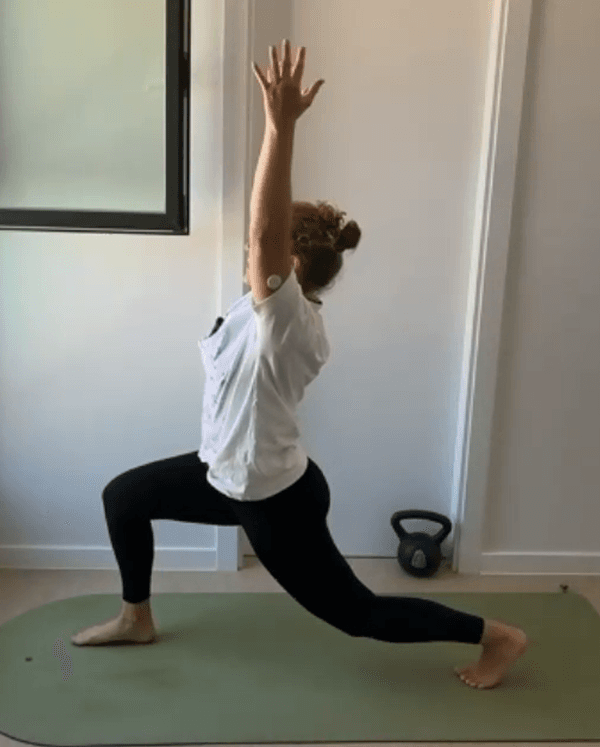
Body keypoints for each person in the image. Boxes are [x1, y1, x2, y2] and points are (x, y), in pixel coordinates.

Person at [73, 39, 529, 690]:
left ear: (287, 267)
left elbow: (264, 234)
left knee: (358, 614)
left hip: (272, 501)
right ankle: (136, 617)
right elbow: (264, 240)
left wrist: (279, 126)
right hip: (224, 475)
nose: (249, 252)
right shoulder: (257, 309)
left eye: (261, 252)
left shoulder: (286, 323)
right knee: (124, 497)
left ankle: (497, 637)